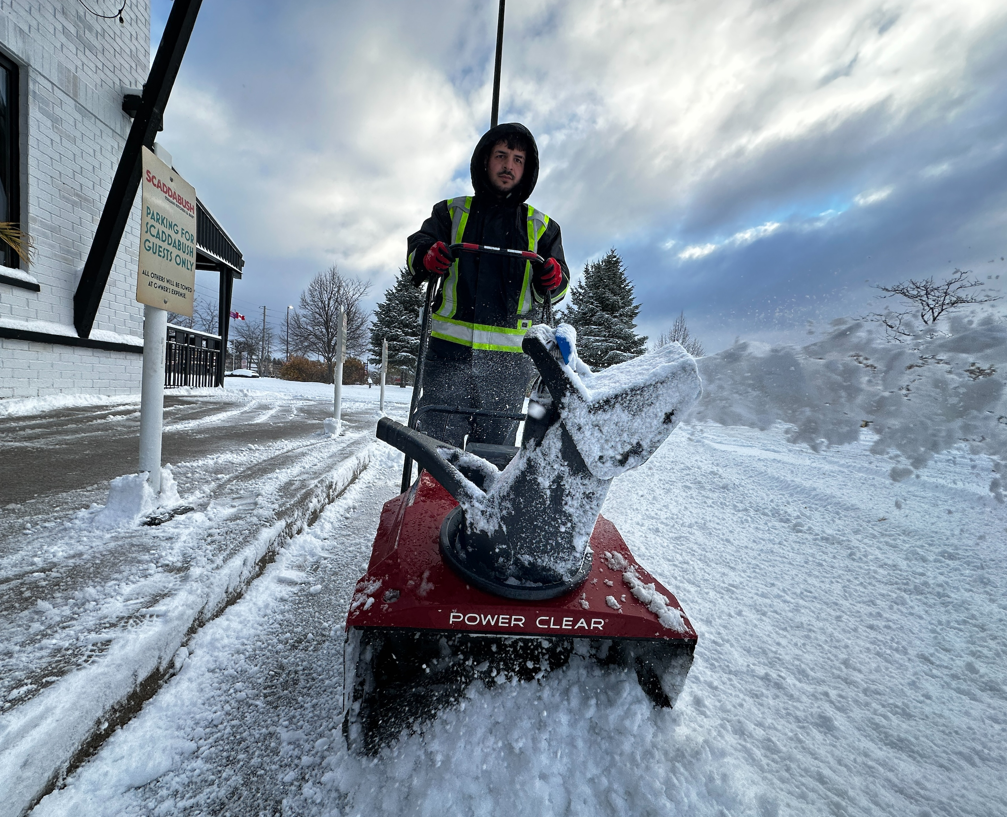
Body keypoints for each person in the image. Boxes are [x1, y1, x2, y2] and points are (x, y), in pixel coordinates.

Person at [407, 122, 570, 448]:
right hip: (447, 358)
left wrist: (551, 277)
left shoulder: (543, 229)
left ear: (528, 169)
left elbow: (559, 286)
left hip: (507, 369)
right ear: (485, 160)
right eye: (501, 155)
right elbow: (417, 254)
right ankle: (433, 499)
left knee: (492, 459)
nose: (509, 165)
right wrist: (427, 257)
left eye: (518, 159)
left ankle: (483, 501)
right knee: (437, 451)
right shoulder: (450, 214)